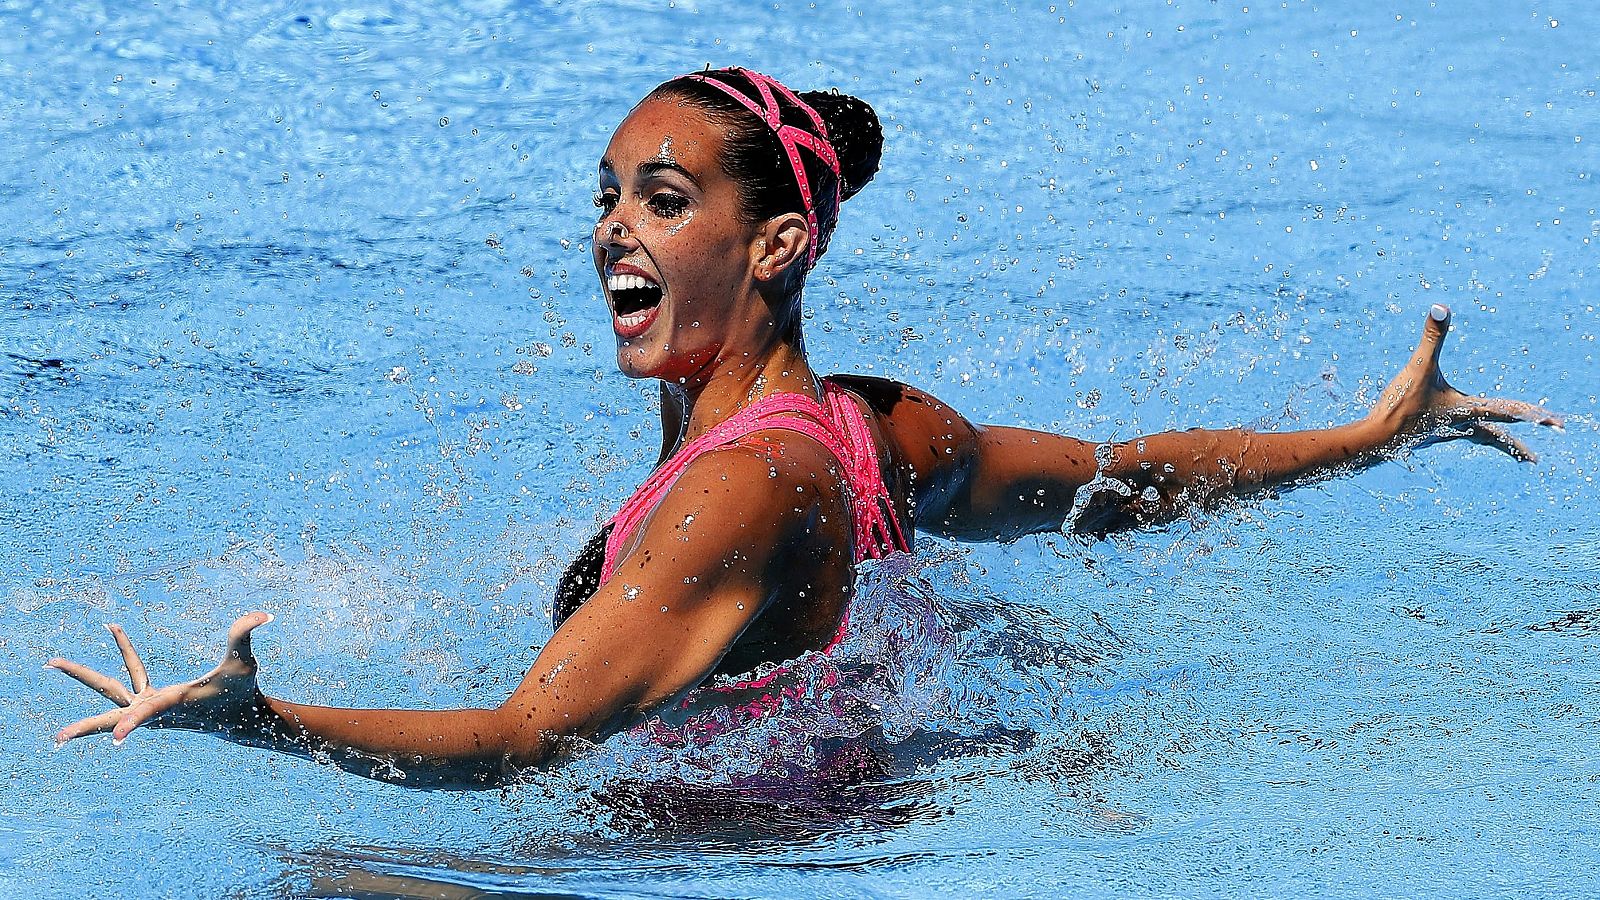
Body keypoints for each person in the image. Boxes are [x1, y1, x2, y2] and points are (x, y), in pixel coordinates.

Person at [47, 68, 1559, 788]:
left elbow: (518, 747)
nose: (608, 233)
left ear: (775, 248)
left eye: (662, 198)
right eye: (606, 192)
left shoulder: (740, 494)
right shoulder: (876, 432)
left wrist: (270, 725)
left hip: (698, 864)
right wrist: (1366, 442)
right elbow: (1124, 483)